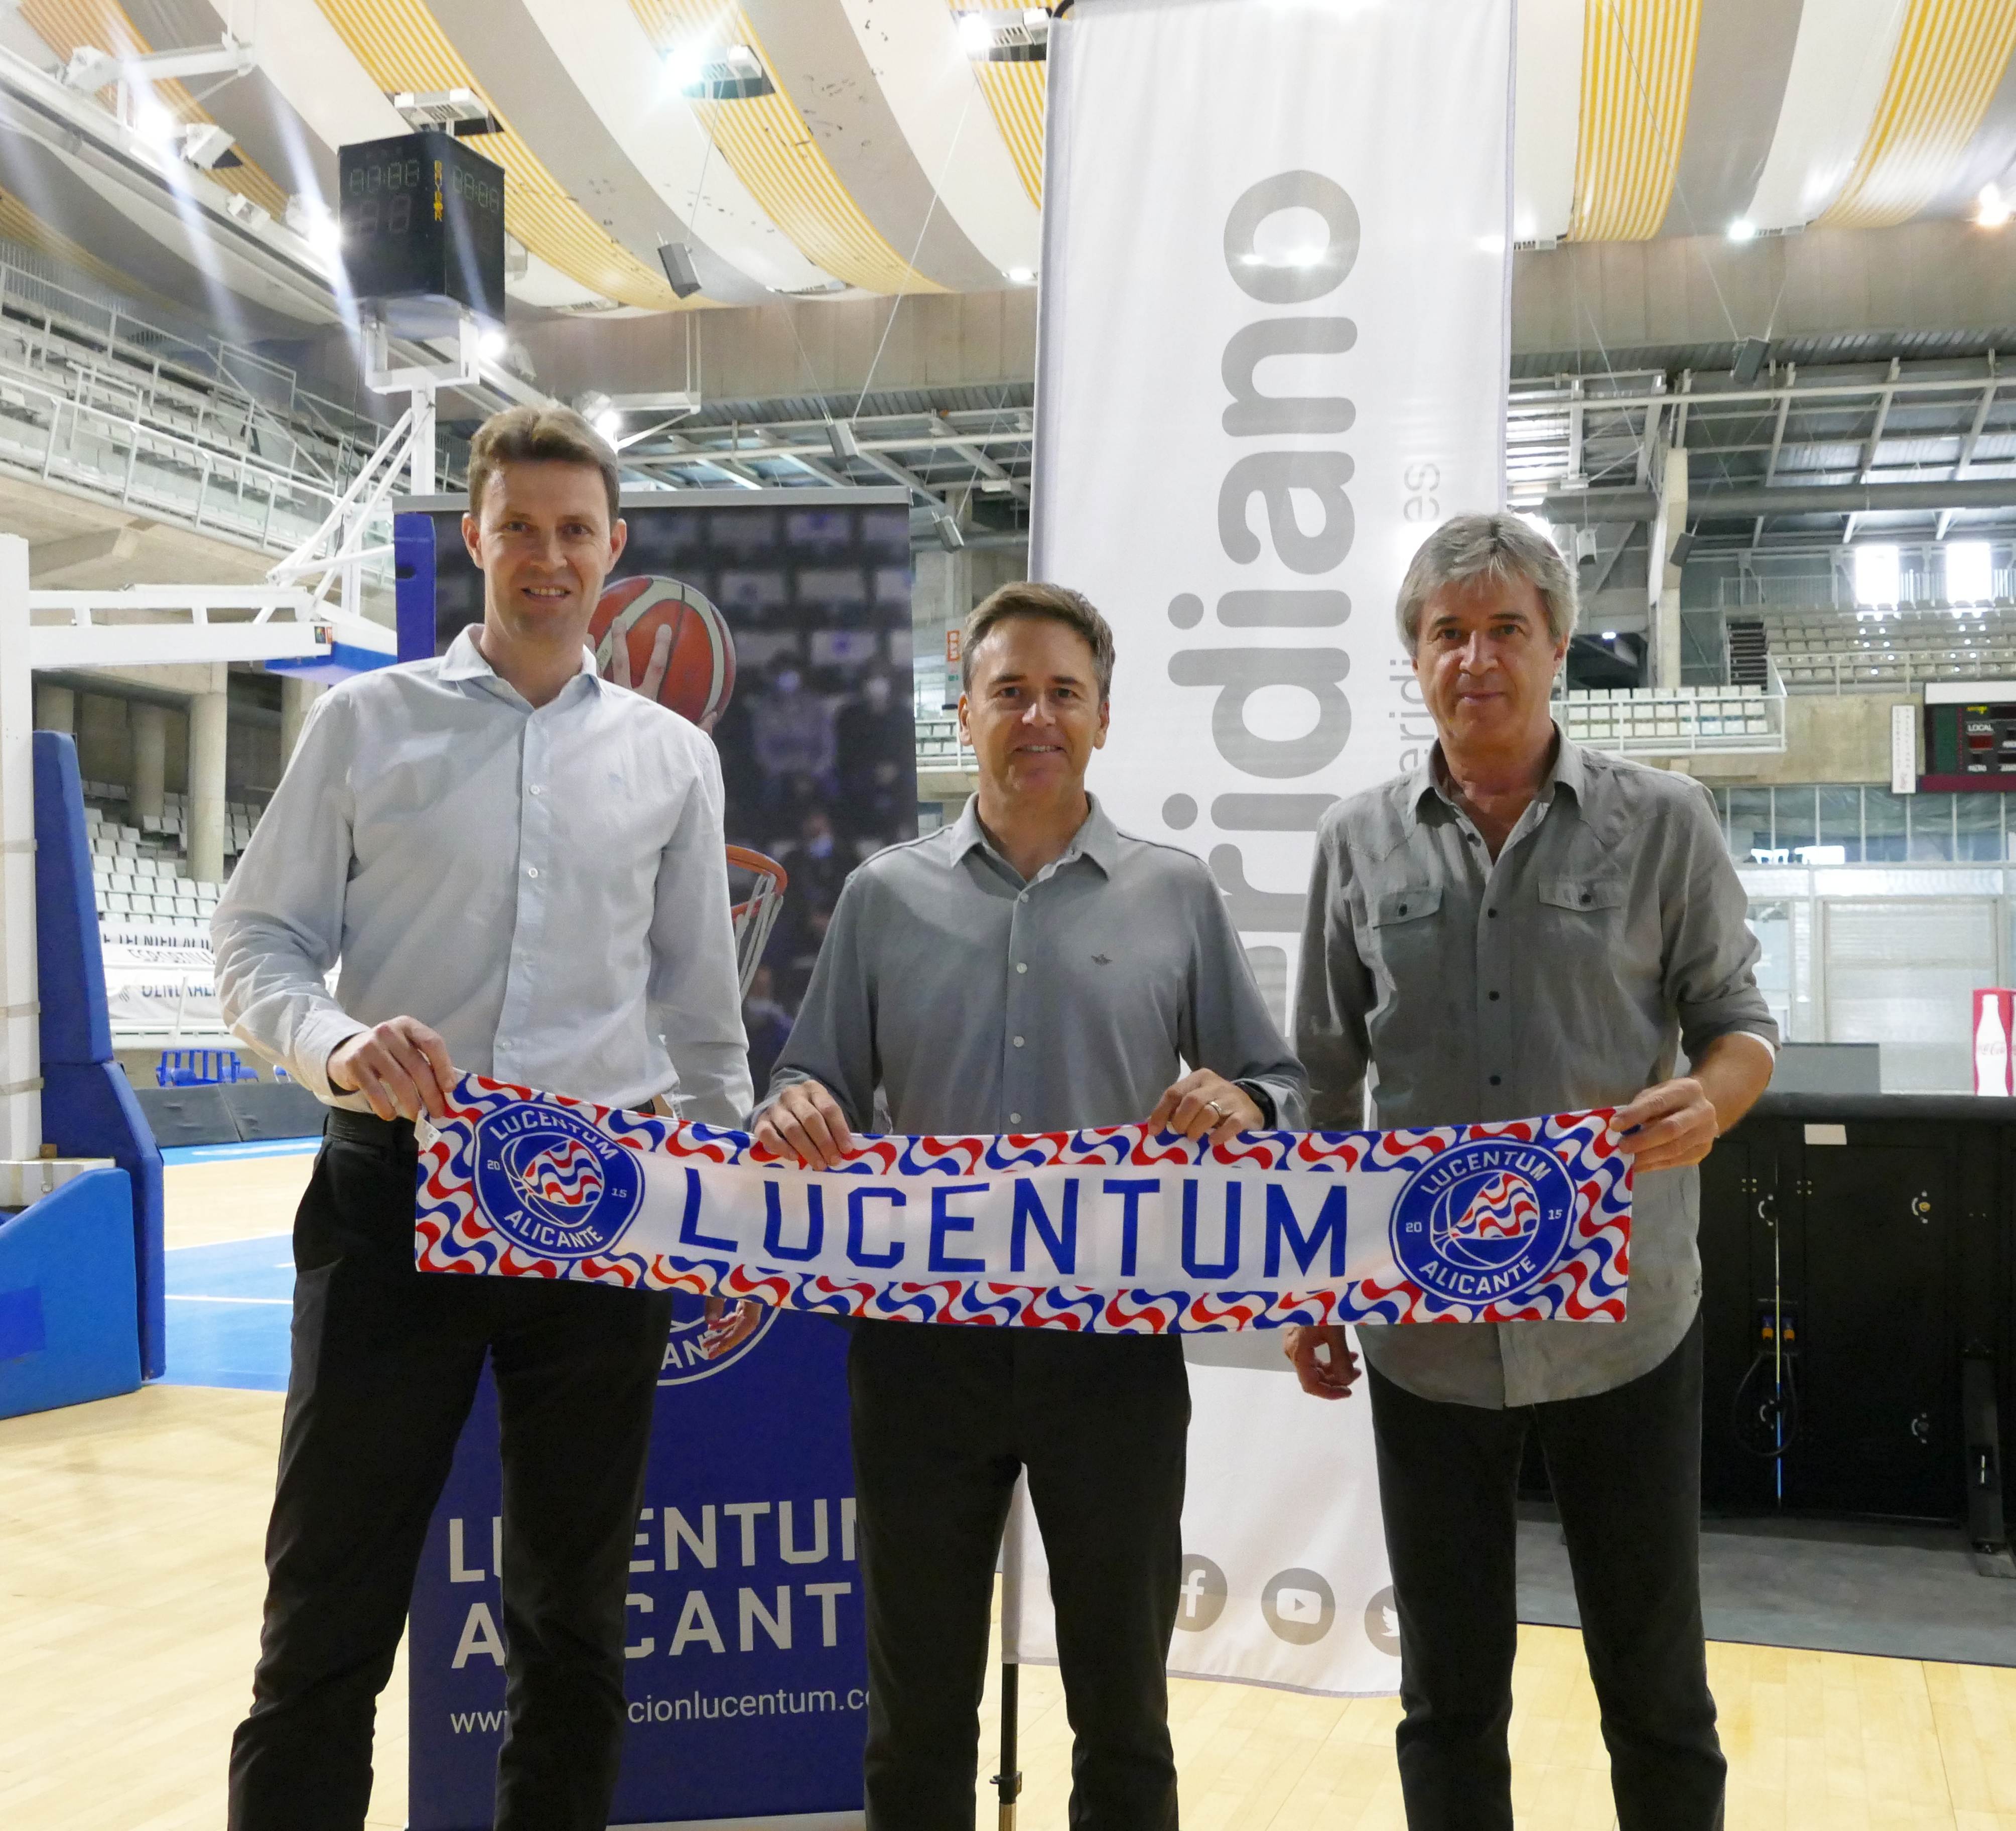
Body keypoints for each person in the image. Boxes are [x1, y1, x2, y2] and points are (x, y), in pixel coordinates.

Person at [213, 404, 752, 1831]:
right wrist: (340, 1043)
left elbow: (700, 1014)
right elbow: (257, 942)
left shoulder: (670, 761)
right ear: (474, 537)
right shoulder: (364, 723)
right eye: (520, 527)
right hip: (394, 1195)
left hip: (599, 1207)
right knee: (327, 1606)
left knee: (573, 1619)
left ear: (616, 548)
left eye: (575, 530)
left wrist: (731, 1216)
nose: (547, 557)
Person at [744, 582, 1307, 1830]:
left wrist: (1245, 1102)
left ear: (1103, 717)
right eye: (1009, 692)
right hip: (918, 1351)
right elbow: (806, 1080)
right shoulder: (884, 896)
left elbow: (1276, 1085)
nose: (1036, 716)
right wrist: (792, 1107)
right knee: (915, 1713)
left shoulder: (1173, 894)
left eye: (1063, 693)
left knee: (1123, 1711)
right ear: (964, 714)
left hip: (1111, 1352)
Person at [1286, 513, 1777, 1831]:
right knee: (1447, 1697)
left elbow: (1740, 1025)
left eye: (1506, 629)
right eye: (1447, 633)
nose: (1476, 658)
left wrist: (1710, 1101)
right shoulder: (1354, 842)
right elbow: (1324, 1082)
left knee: (1654, 1689)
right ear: (1415, 657)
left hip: (1625, 1322)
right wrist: (1313, 1284)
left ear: (1558, 646)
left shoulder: (1664, 821)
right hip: (1425, 1330)